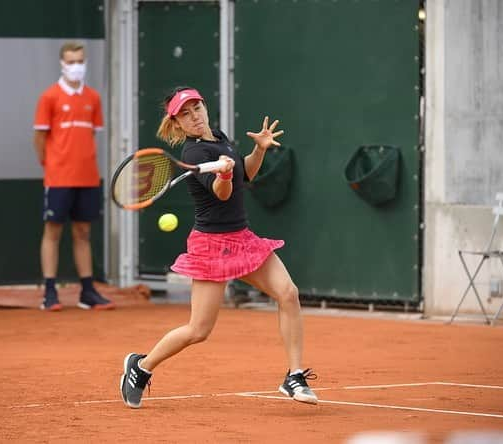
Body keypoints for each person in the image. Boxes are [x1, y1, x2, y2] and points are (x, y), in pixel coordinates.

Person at [119, 87, 317, 408]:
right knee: (198, 330)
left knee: (288, 293)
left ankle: (294, 375)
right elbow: (223, 193)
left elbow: (246, 175)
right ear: (177, 123)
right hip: (212, 246)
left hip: (242, 239)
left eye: (196, 108)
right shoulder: (194, 155)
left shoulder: (220, 138)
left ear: (205, 108)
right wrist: (222, 174)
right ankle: (140, 368)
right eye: (185, 114)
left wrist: (259, 150)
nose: (194, 116)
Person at [32, 41, 114, 311]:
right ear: (62, 63)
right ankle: (49, 292)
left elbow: (90, 135)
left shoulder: (93, 98)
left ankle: (87, 292)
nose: (76, 66)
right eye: (71, 61)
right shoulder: (49, 97)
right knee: (52, 232)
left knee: (83, 232)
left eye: (80, 61)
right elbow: (40, 138)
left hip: (88, 177)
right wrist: (51, 164)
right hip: (58, 178)